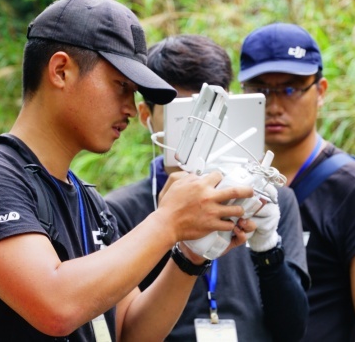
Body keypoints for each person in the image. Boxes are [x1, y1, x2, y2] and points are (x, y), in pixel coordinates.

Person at [0, 0, 258, 341]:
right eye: (121, 87)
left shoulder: (92, 205)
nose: (131, 110)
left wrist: (191, 254)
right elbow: (55, 305)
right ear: (61, 71)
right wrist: (169, 221)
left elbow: (130, 331)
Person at [104, 34, 310, 342]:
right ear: (146, 116)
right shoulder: (118, 211)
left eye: (212, 111)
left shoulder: (269, 200)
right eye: (183, 114)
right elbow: (122, 331)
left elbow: (293, 330)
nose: (200, 129)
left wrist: (268, 249)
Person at [238, 23, 355, 341]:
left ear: (321, 91)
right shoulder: (230, 184)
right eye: (262, 91)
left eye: (291, 89)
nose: (274, 106)